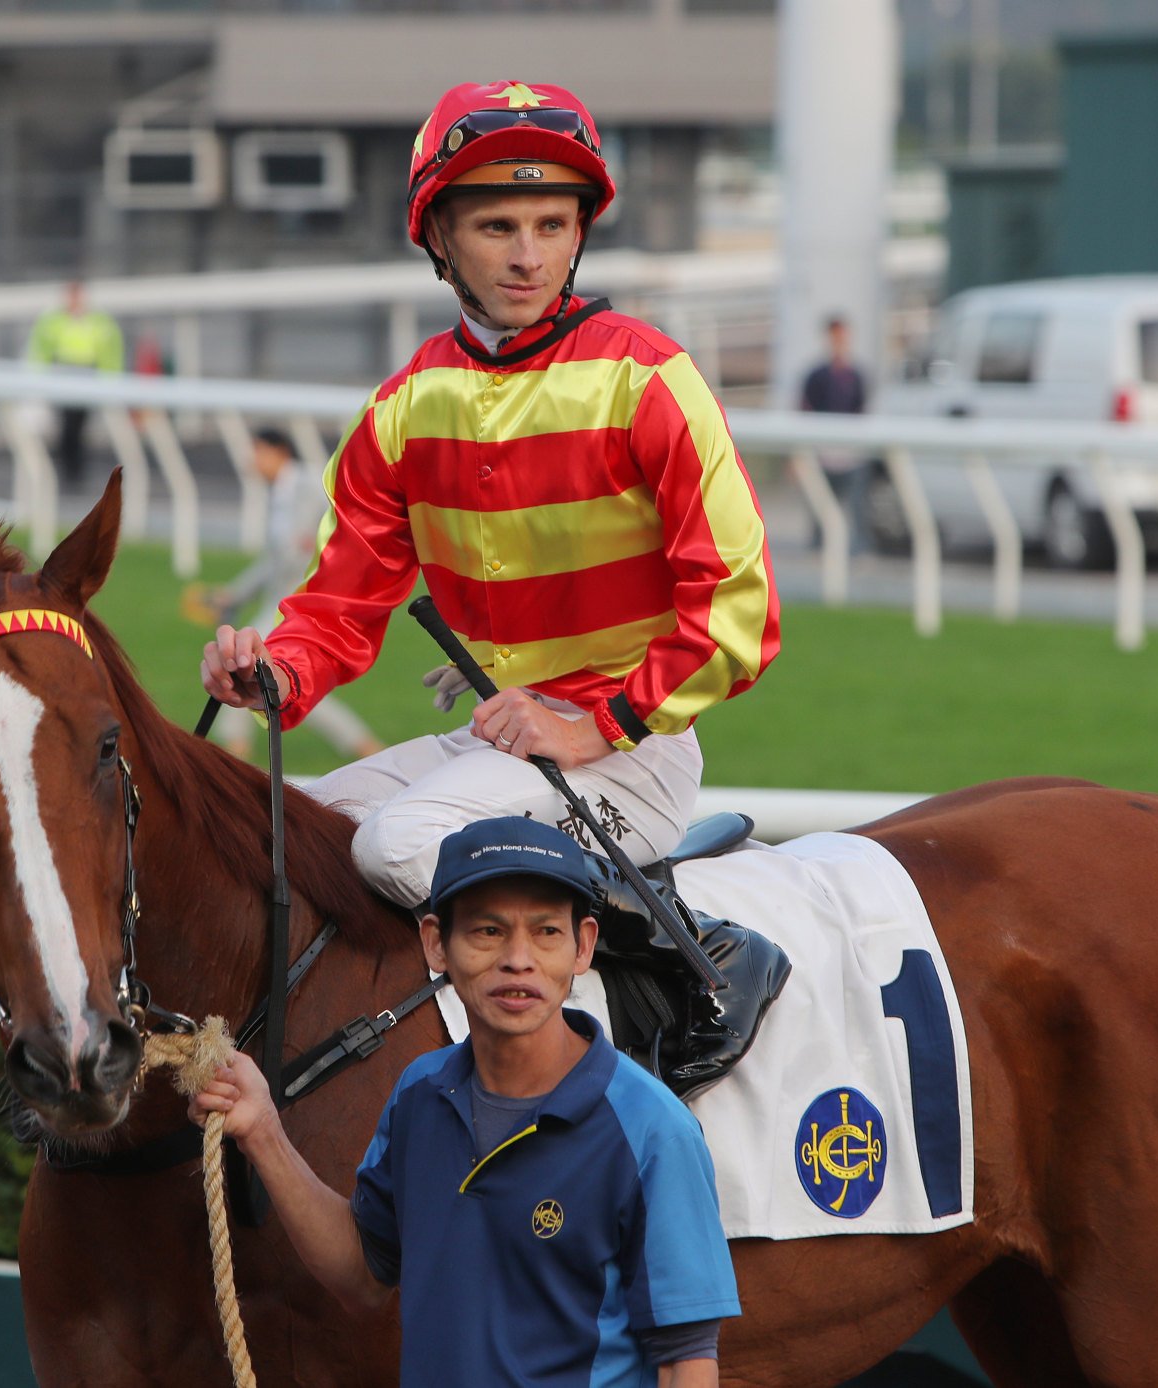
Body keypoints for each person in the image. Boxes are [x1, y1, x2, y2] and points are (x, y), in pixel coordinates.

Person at [201, 79, 780, 912]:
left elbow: (739, 611)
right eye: (496, 227)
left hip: (628, 756)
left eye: (552, 226)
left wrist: (595, 728)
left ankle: (593, 1016)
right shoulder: (404, 406)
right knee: (272, 838)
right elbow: (337, 604)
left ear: (579, 232)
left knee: (392, 847)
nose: (528, 257)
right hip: (496, 745)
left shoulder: (647, 379)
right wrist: (272, 674)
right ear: (440, 237)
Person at [189, 816, 740, 1387]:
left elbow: (687, 1362)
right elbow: (363, 1276)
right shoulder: (420, 1094)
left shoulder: (651, 1129)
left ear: (583, 946)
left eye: (546, 932)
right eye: (487, 932)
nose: (518, 959)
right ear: (436, 944)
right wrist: (263, 1133)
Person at [204, 427, 383, 762]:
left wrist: (319, 543)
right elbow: (274, 560)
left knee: (243, 676)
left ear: (279, 451)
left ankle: (233, 769)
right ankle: (365, 747)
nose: (252, 461)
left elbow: (350, 516)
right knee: (276, 683)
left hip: (295, 603)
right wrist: (235, 594)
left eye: (257, 451)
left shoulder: (308, 485)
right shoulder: (281, 491)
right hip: (277, 602)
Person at [24, 280, 124, 487]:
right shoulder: (53, 320)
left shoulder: (98, 320)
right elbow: (41, 349)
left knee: (78, 424)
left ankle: (73, 469)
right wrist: (37, 379)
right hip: (62, 373)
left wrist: (110, 381)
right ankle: (68, 468)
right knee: (68, 424)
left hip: (88, 373)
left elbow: (110, 350)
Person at [797, 313, 872, 552]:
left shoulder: (856, 376)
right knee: (820, 506)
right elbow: (805, 413)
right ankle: (819, 550)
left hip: (850, 453)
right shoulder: (816, 376)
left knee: (857, 505)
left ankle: (858, 549)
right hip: (822, 452)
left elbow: (861, 413)